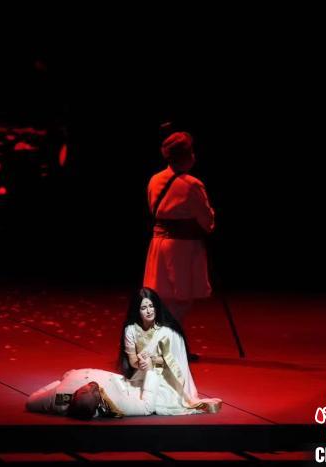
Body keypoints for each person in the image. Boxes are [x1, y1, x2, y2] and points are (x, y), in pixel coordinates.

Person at [143, 131, 215, 325]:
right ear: (185, 155)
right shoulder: (192, 185)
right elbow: (207, 221)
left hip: (158, 244)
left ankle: (168, 337)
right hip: (181, 248)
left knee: (165, 297)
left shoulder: (154, 179)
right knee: (180, 298)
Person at [117, 287, 222, 415]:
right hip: (141, 375)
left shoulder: (167, 331)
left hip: (165, 375)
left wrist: (152, 362)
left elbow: (173, 362)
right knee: (132, 396)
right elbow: (132, 360)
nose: (149, 311)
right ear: (137, 310)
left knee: (163, 401)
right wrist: (140, 364)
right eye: (143, 308)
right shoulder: (131, 330)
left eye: (151, 306)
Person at [25, 368, 161, 418]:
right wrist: (151, 372)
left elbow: (31, 401)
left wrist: (59, 382)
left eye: (85, 390)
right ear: (98, 403)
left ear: (75, 394)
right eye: (94, 393)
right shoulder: (117, 402)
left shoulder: (62, 398)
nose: (92, 386)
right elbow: (147, 407)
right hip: (130, 377)